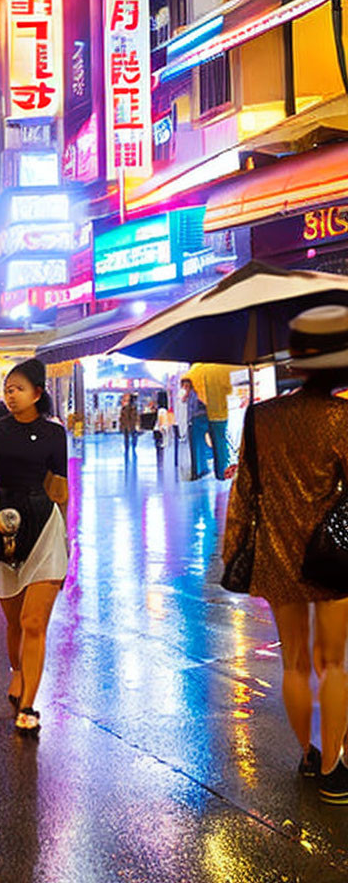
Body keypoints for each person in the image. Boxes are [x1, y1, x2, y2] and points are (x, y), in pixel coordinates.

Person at [223, 306, 348, 804]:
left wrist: (234, 551)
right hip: (333, 556)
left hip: (276, 555)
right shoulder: (343, 418)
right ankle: (337, 769)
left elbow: (244, 494)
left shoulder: (260, 416)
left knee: (294, 662)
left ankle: (308, 753)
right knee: (333, 662)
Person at [0, 359, 70, 735]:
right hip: (2, 527)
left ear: (38, 393)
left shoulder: (55, 435)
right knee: (13, 621)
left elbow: (60, 487)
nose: (11, 394)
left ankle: (29, 705)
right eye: (8, 389)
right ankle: (18, 671)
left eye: (19, 388)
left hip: (44, 529)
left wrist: (65, 532)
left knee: (33, 621)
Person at [186, 363, 233, 479]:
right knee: (219, 442)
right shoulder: (220, 369)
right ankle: (222, 472)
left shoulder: (195, 371)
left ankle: (199, 470)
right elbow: (228, 389)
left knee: (199, 444)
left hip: (201, 413)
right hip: (219, 411)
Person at [183, 376, 210, 478]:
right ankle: (200, 469)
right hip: (197, 421)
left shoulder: (194, 395)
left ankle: (198, 470)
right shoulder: (192, 394)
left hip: (197, 421)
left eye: (186, 385)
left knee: (197, 446)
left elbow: (194, 409)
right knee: (199, 446)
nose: (185, 387)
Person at [119, 393, 139, 459]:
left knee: (130, 436)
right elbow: (122, 417)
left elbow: (122, 418)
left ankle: (131, 447)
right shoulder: (129, 408)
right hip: (129, 425)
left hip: (129, 425)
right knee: (129, 436)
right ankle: (131, 447)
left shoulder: (130, 408)